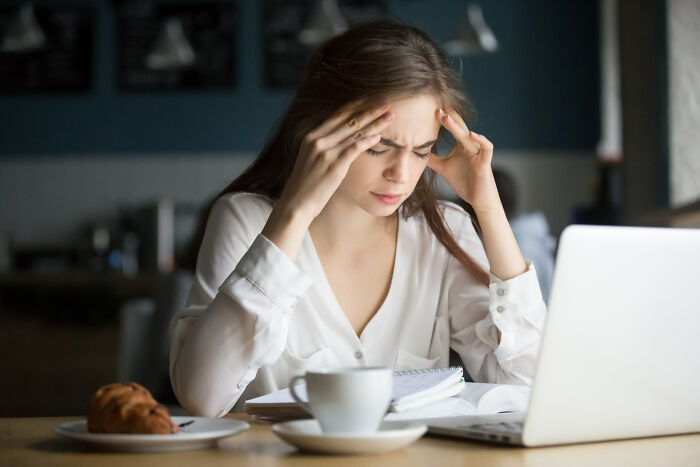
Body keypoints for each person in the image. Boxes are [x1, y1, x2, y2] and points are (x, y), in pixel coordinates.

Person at [170, 21, 547, 418]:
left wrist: (489, 211)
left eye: (422, 151)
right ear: (321, 131)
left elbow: (529, 389)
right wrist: (295, 211)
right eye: (380, 146)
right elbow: (202, 398)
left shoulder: (445, 231)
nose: (401, 174)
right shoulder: (243, 219)